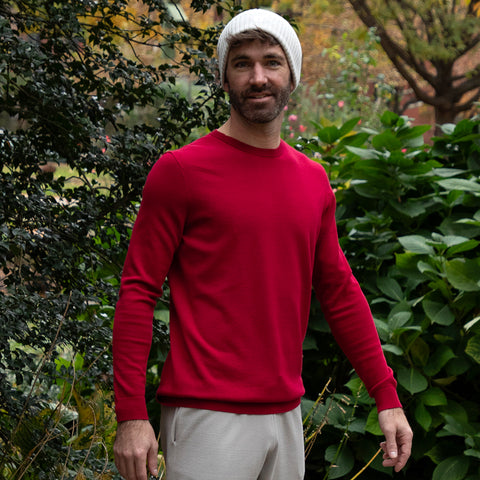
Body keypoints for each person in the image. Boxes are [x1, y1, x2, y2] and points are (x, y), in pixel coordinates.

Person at [112, 8, 413, 480]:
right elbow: (138, 291)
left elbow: (338, 291)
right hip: (206, 418)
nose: (258, 77)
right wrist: (131, 414)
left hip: (287, 415)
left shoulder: (313, 181)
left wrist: (387, 396)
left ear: (291, 74)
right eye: (242, 63)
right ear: (224, 77)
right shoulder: (180, 173)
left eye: (271, 62)